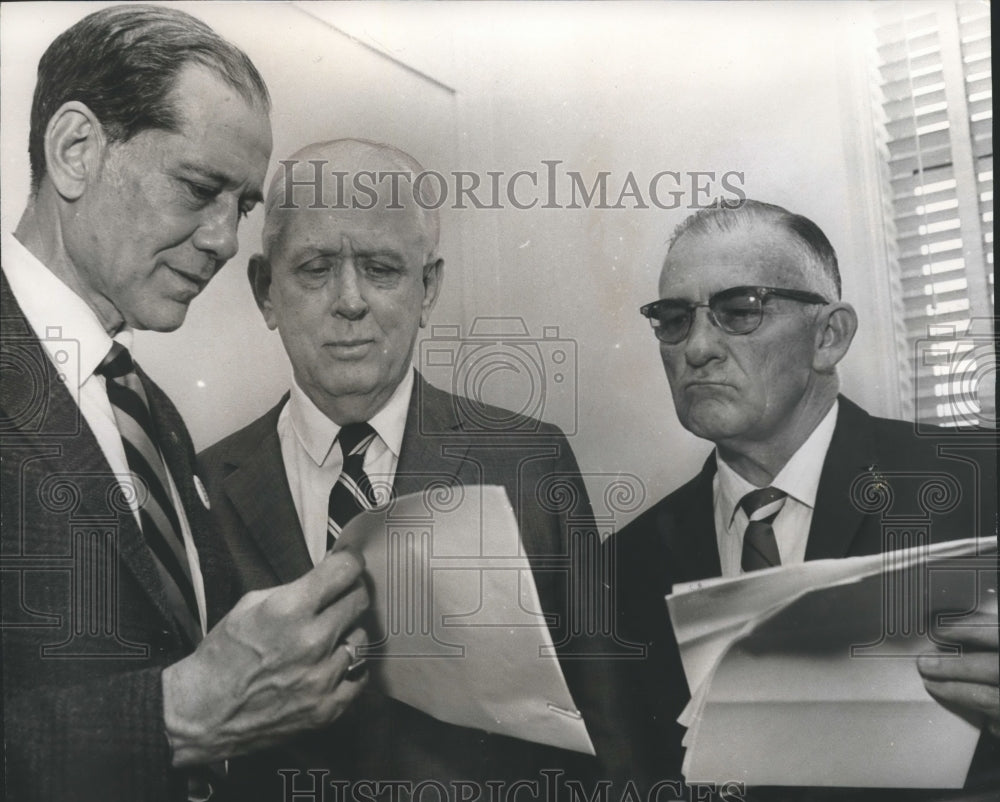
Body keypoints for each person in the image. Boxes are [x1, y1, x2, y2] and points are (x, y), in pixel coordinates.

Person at [1, 8, 368, 801]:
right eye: (198, 188)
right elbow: (192, 705)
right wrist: (173, 716)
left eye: (239, 206)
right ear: (75, 150)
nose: (226, 241)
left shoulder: (152, 413)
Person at [198, 138, 616, 798]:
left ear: (429, 289)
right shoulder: (201, 489)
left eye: (382, 269)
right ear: (265, 291)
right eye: (313, 269)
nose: (350, 301)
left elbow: (609, 731)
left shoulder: (529, 464)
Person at [607, 199, 998, 795]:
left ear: (829, 336)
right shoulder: (622, 565)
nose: (697, 347)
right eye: (674, 318)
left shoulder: (980, 483)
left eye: (740, 310)